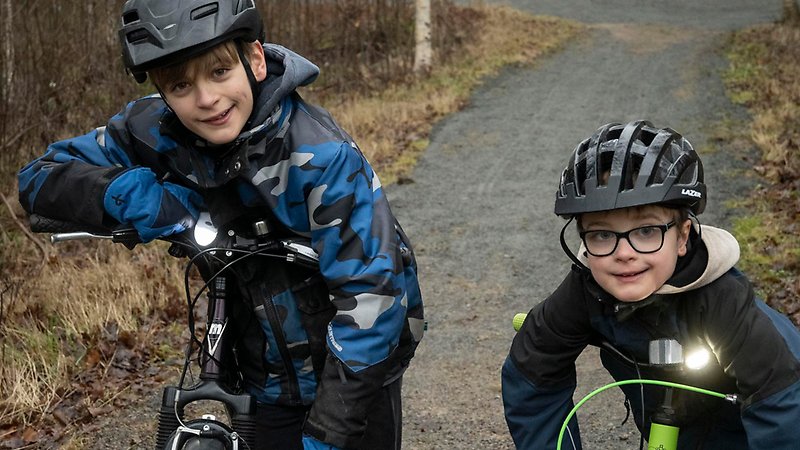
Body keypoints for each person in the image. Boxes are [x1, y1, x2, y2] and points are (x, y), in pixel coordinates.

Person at [17, 1, 424, 449]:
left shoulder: (321, 158)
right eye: (180, 85)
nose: (206, 99)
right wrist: (136, 197)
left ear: (254, 60)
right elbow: (39, 177)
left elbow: (373, 303)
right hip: (262, 379)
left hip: (353, 378)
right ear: (162, 92)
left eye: (218, 72)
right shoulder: (153, 130)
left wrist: (328, 435)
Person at [502, 120, 800, 449]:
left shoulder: (723, 301)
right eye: (602, 234)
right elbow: (533, 374)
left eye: (646, 231)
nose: (624, 254)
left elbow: (784, 413)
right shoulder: (586, 290)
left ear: (682, 236)